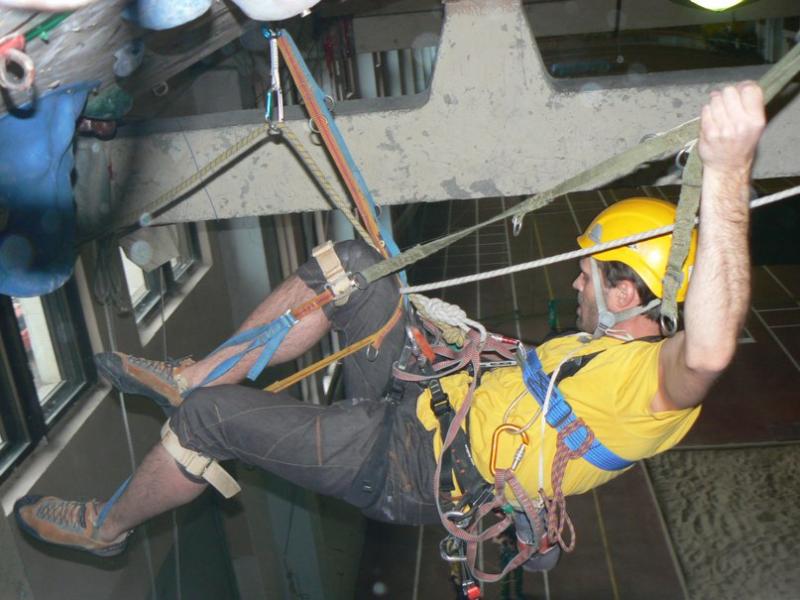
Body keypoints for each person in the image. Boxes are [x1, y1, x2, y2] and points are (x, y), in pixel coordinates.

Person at [15, 82, 766, 561]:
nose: (575, 279)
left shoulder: (650, 392)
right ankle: (194, 373)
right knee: (353, 263)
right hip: (425, 399)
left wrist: (729, 171)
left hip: (410, 467)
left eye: (589, 271)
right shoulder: (603, 347)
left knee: (209, 423)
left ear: (627, 293)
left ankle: (105, 526)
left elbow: (708, 350)